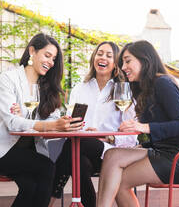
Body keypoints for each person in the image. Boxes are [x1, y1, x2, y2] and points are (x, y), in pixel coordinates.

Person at [0, 33, 83, 207]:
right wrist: (50, 125)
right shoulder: (9, 79)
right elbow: (12, 122)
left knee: (30, 187)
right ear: (32, 51)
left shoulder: (47, 86)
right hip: (0, 152)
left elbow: (53, 119)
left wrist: (62, 124)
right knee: (47, 167)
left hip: (29, 153)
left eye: (54, 58)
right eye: (47, 55)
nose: (50, 62)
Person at [97, 40, 179, 207]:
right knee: (112, 155)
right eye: (123, 62)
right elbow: (150, 133)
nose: (123, 67)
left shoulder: (163, 82)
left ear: (145, 59)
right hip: (161, 150)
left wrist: (143, 127)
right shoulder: (144, 89)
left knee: (120, 183)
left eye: (128, 60)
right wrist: (115, 136)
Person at [49, 41, 137, 207]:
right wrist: (71, 125)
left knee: (72, 149)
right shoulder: (80, 88)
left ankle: (49, 200)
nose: (103, 57)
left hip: (110, 153)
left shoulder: (123, 91)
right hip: (81, 151)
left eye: (109, 55)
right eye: (100, 53)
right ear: (94, 58)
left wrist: (108, 137)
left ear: (116, 63)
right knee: (77, 161)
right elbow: (70, 123)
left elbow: (131, 136)